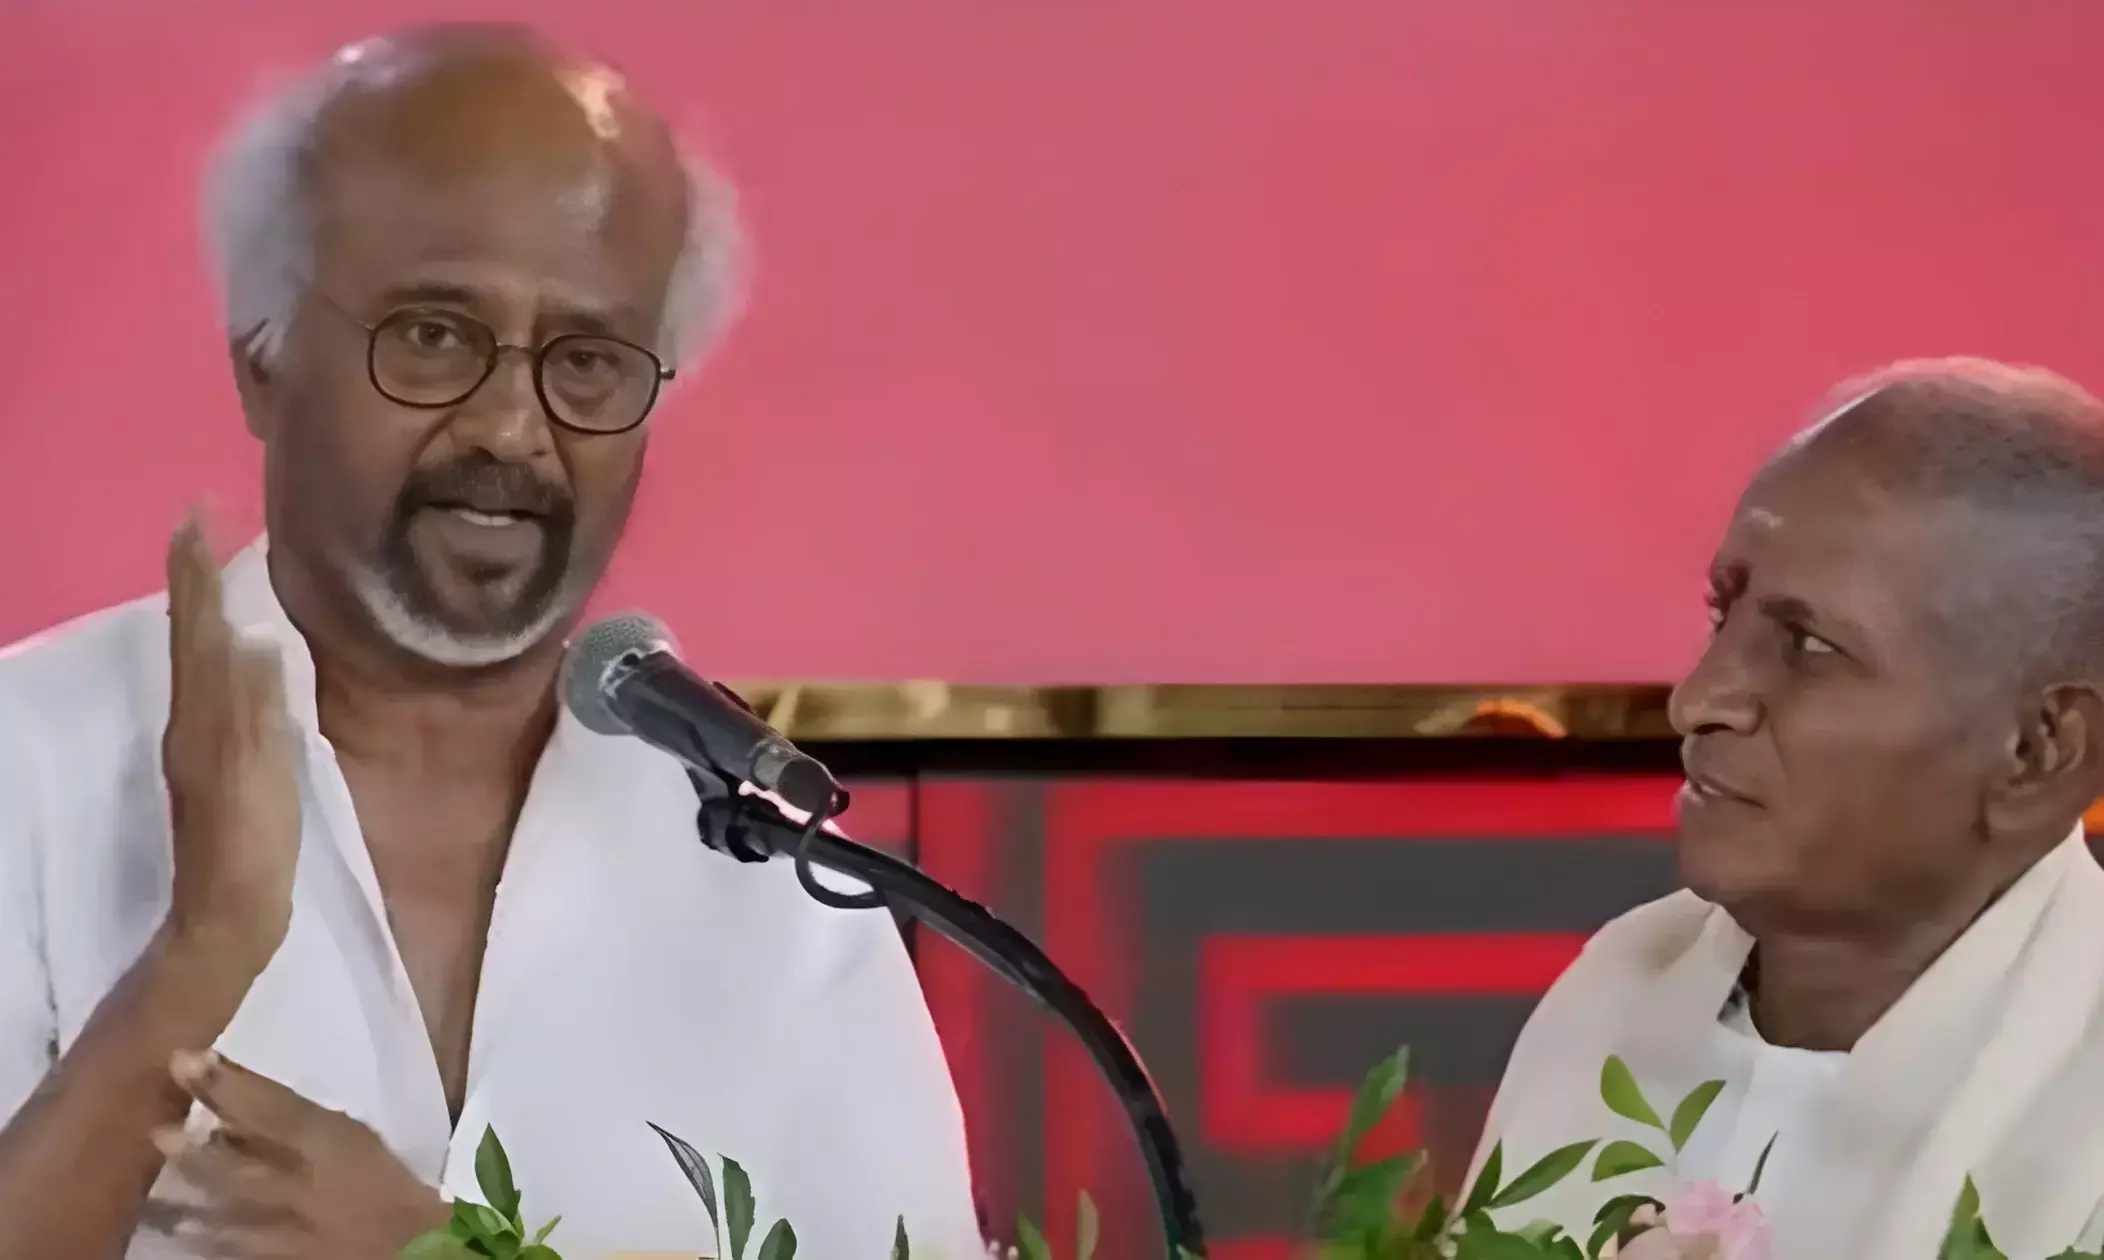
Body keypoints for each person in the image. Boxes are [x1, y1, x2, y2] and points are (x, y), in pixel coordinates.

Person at [0, 24, 983, 1260]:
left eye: (587, 361)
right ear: (263, 355)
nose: (512, 428)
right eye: (432, 336)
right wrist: (193, 967)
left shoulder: (770, 877)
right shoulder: (28, 768)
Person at [1467, 359, 2104, 1260]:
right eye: (1722, 614)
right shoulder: (1617, 989)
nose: (1697, 700)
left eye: (1808, 646)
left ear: (2039, 751)